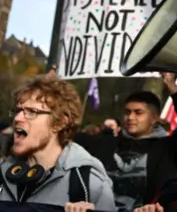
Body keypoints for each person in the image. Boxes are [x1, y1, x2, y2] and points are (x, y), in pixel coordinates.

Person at [75, 72, 177, 211]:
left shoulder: (169, 148)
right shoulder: (107, 144)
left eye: (138, 112)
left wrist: (171, 85)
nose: (130, 117)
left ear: (154, 118)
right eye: (127, 112)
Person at [0, 77, 115, 212]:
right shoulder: (4, 172)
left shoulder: (90, 184)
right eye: (18, 110)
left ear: (59, 123)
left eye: (31, 112)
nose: (17, 118)